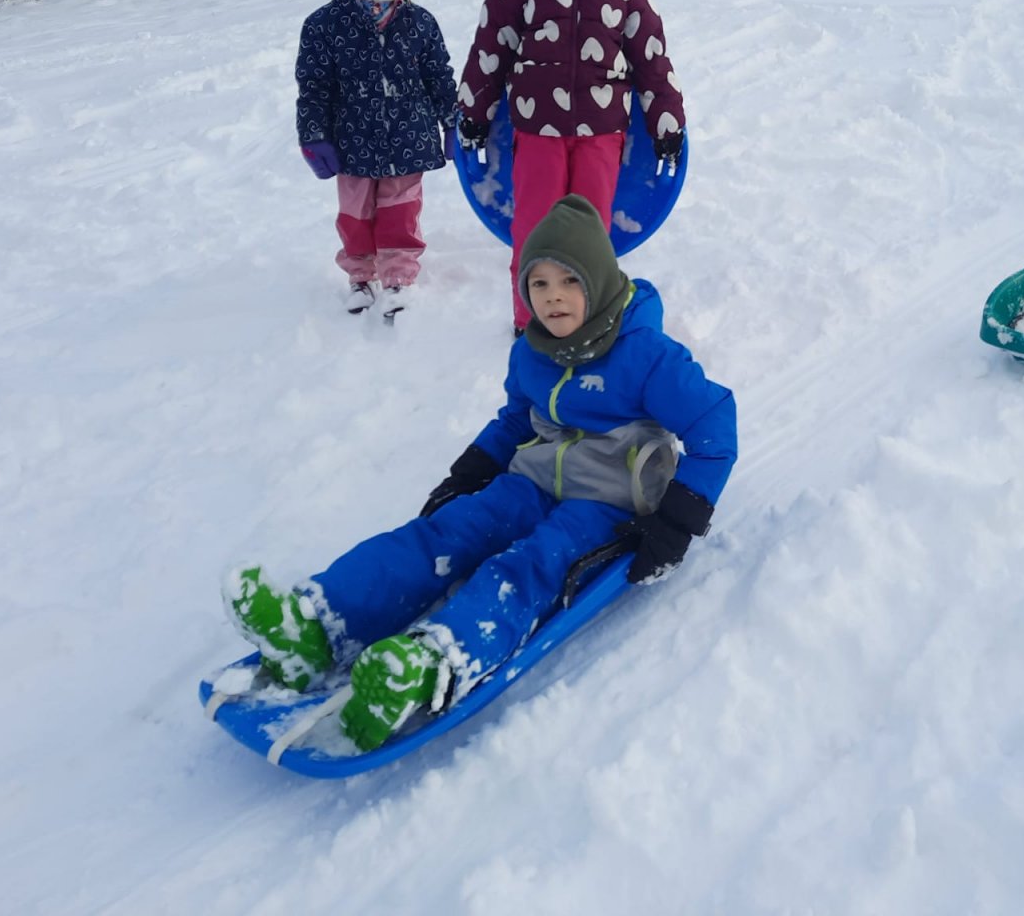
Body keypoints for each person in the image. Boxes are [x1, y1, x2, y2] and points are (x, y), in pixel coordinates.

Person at [222, 195, 737, 751]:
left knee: (532, 565)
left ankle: (430, 664)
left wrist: (677, 521)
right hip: (532, 480)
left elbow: (715, 425)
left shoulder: (647, 356)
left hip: (608, 500)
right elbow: (517, 419)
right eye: (539, 284)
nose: (553, 297)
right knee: (442, 534)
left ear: (600, 283)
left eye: (570, 281)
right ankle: (315, 626)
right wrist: (471, 472)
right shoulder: (534, 352)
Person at [456, 0, 687, 333]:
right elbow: (488, 54)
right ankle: (530, 322)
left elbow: (652, 62)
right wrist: (473, 115)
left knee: (590, 230)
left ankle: (588, 319)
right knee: (535, 226)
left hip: (602, 134)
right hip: (536, 133)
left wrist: (667, 125)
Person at [295, 0, 459, 315]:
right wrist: (313, 134)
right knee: (356, 213)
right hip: (352, 139)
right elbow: (314, 86)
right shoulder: (324, 26)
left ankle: (398, 276)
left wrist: (453, 122)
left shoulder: (420, 22)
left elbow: (439, 76)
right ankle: (360, 275)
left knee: (401, 210)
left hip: (409, 135)